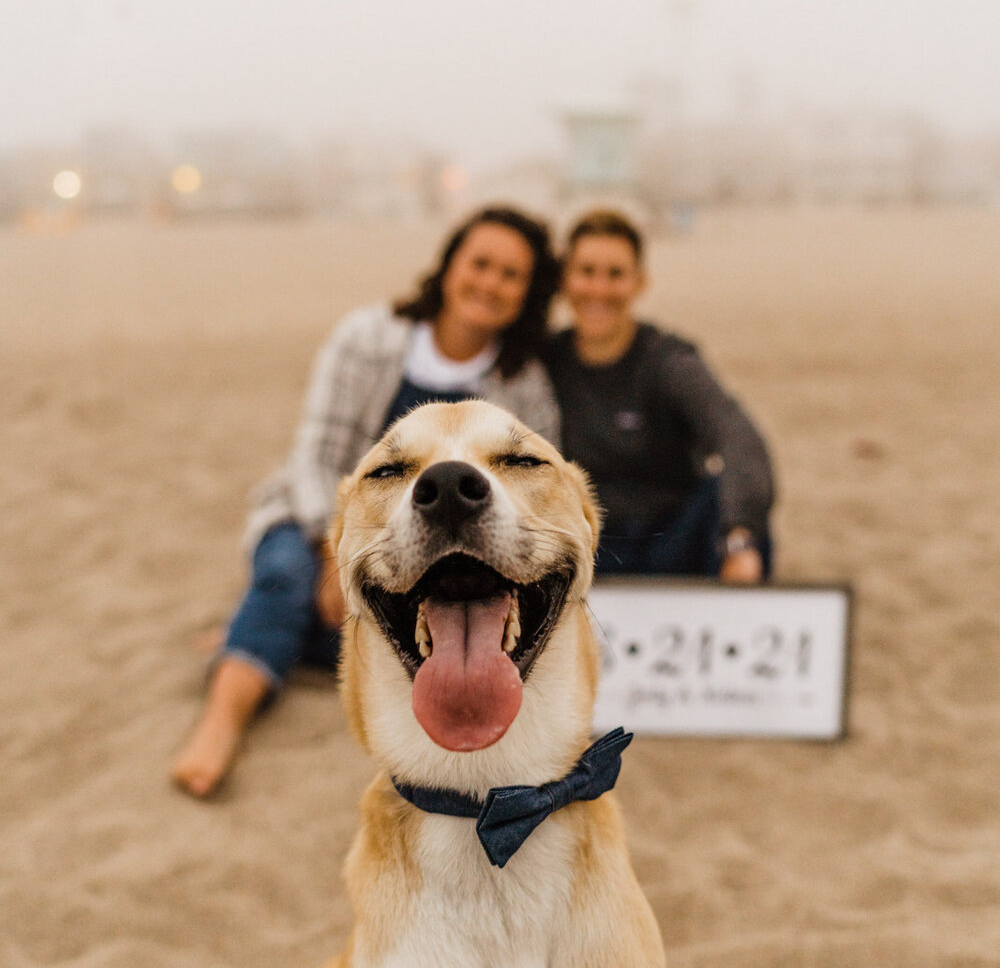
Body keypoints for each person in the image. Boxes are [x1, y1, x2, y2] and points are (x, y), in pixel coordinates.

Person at [171, 206, 560, 798]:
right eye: (480, 263)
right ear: (449, 264)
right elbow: (317, 457)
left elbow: (533, 493)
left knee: (394, 632)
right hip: (319, 519)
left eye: (511, 275)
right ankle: (221, 723)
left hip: (438, 547)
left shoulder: (524, 384)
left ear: (527, 293)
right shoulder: (368, 338)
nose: (490, 283)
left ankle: (249, 631)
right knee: (285, 576)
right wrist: (334, 551)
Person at [544, 208, 774, 583]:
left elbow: (738, 437)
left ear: (640, 283)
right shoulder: (544, 361)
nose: (599, 289)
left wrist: (740, 536)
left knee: (731, 497)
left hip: (673, 541)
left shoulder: (670, 361)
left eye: (615, 274)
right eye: (586, 272)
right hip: (586, 545)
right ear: (566, 280)